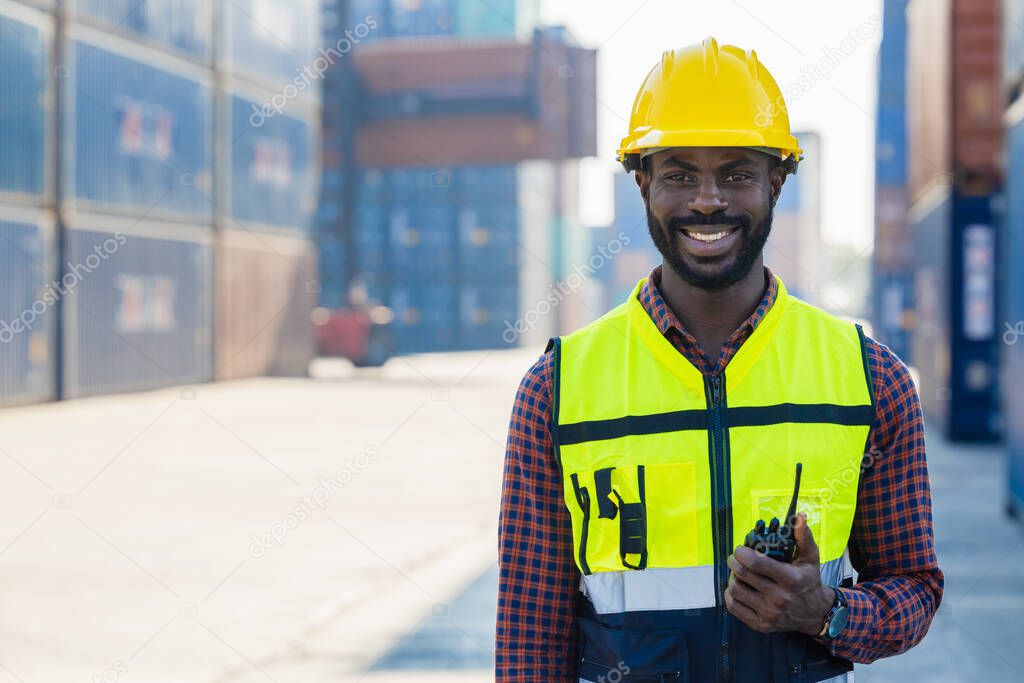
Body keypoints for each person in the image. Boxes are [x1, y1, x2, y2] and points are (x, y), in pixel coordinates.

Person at [495, 37, 943, 682]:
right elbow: (528, 635)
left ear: (777, 182)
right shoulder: (559, 387)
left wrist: (828, 614)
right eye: (679, 174)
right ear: (643, 181)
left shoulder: (869, 378)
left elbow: (915, 589)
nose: (707, 201)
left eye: (736, 172)